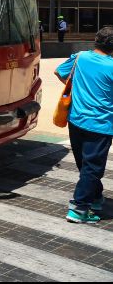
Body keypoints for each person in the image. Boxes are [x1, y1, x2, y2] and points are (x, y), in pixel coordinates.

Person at [54, 26, 113, 224]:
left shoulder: (80, 58)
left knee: (85, 165)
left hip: (76, 120)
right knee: (92, 168)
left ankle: (95, 198)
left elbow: (59, 72)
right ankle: (79, 208)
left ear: (96, 40)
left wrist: (77, 87)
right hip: (100, 124)